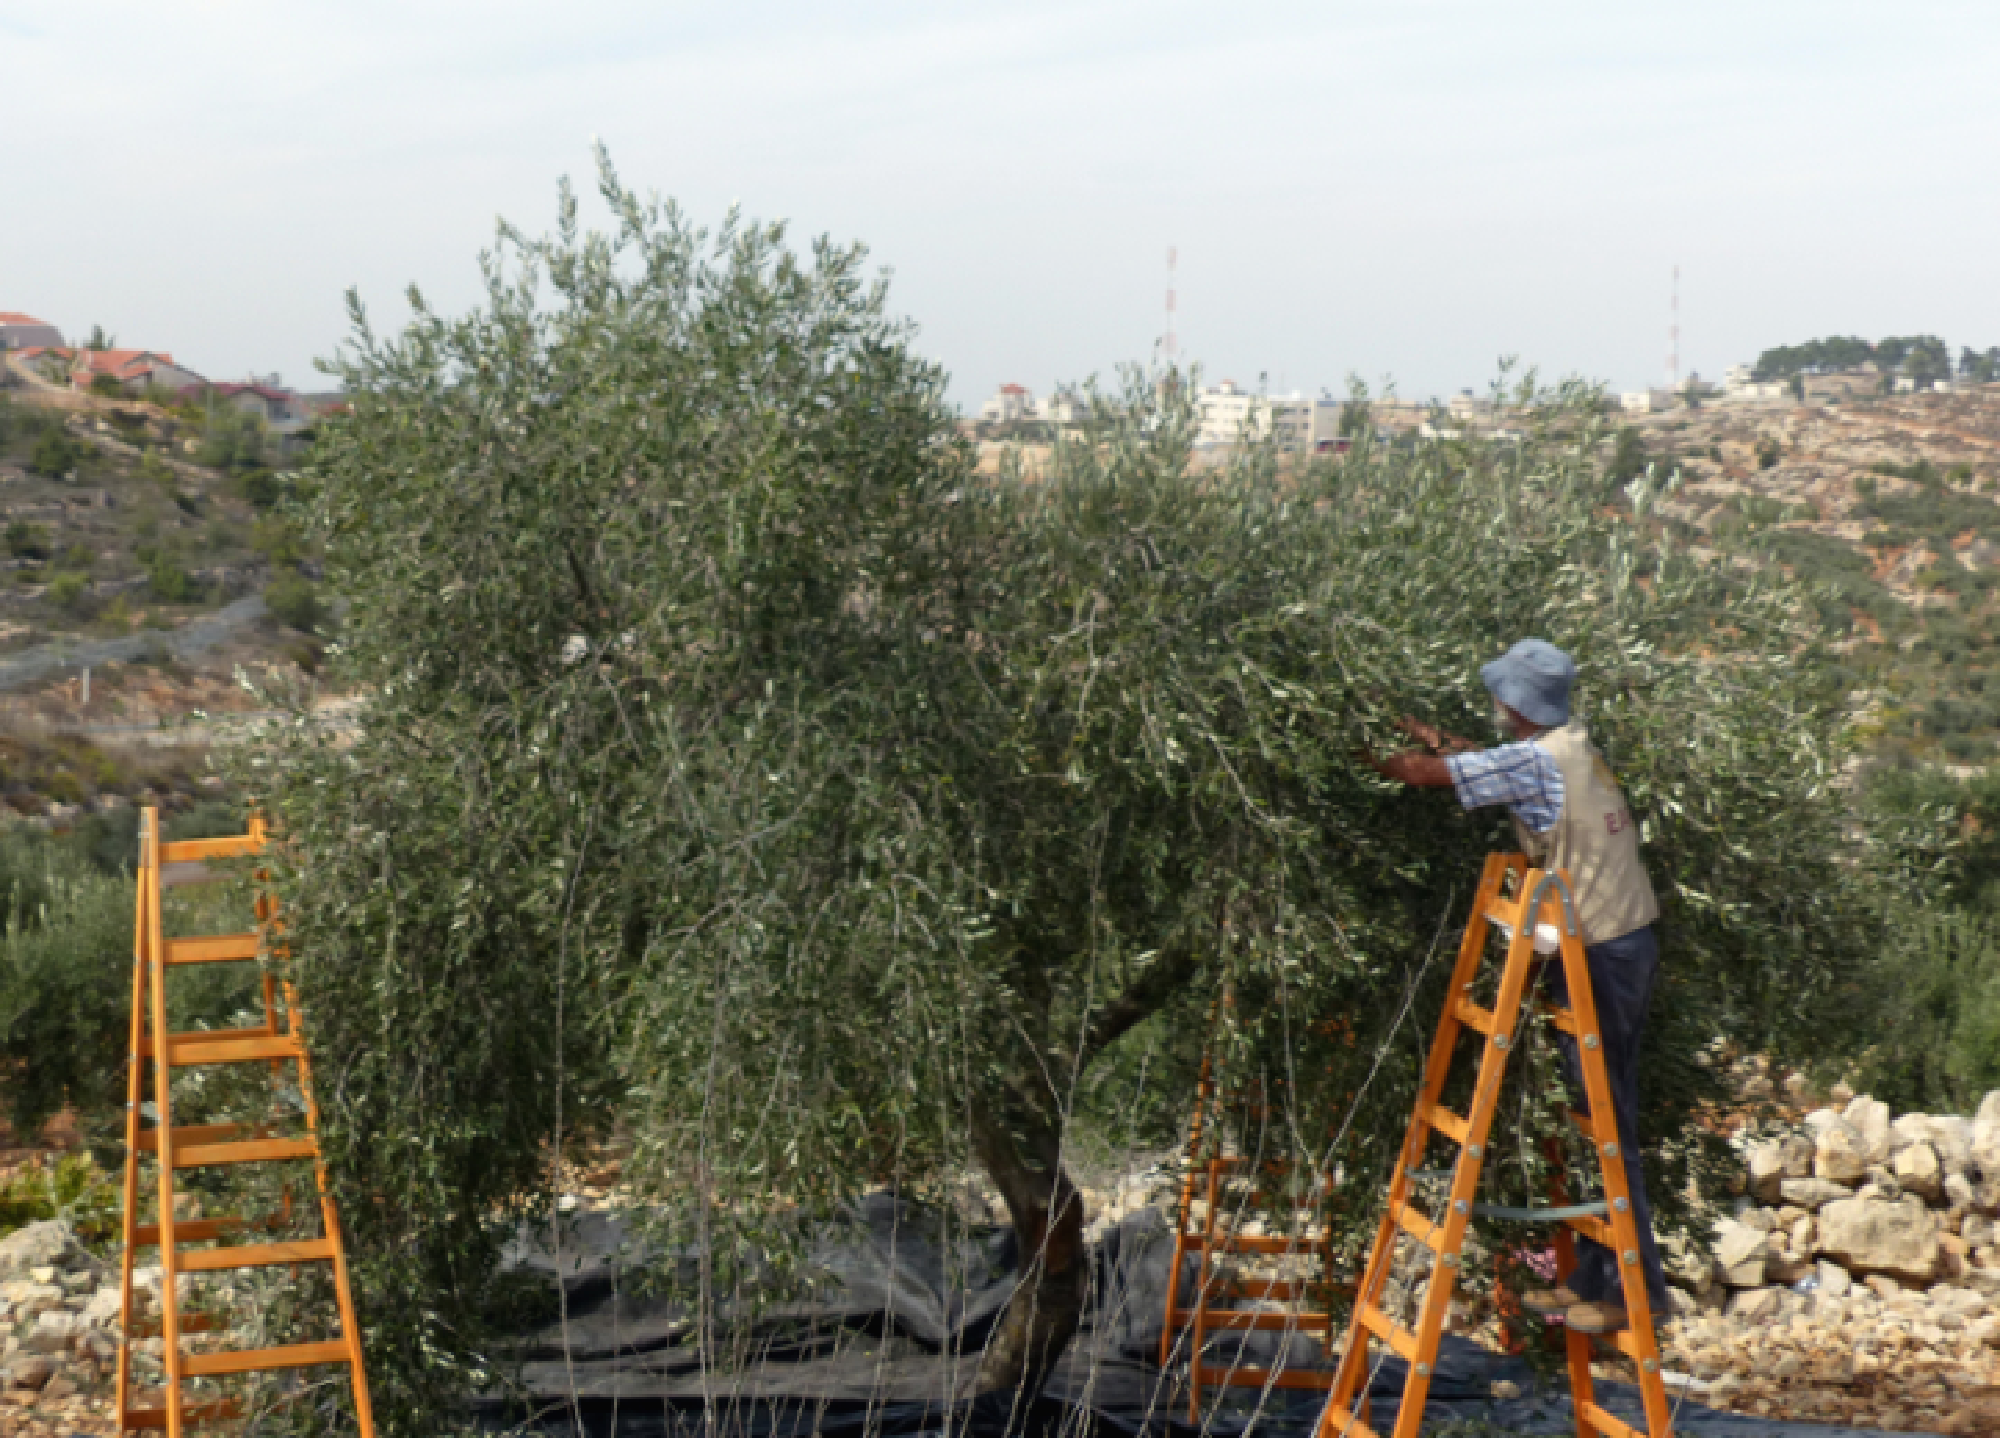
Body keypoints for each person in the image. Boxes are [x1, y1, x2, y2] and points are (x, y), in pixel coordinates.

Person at [1367, 637, 1667, 1335]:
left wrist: (1354, 751)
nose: (1496, 705)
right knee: (1595, 1119)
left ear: (1517, 704)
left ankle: (1638, 1292)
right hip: (1615, 940)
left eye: (1502, 695)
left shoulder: (1538, 762)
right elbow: (1478, 759)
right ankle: (1593, 1277)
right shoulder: (1566, 744)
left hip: (1605, 951)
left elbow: (1424, 775)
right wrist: (1415, 726)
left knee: (1609, 1122)